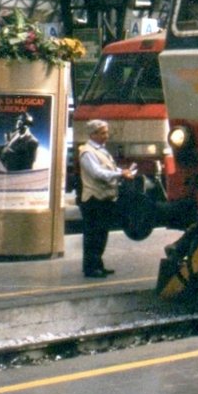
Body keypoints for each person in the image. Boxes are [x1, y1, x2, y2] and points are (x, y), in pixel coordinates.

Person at [77, 119, 136, 278]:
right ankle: (90, 268)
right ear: (93, 134)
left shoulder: (102, 150)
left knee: (102, 233)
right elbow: (97, 173)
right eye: (103, 133)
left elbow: (109, 168)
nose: (106, 136)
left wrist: (122, 171)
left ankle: (98, 265)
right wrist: (119, 174)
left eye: (106, 132)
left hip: (104, 198)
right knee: (93, 235)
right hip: (93, 199)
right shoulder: (87, 151)